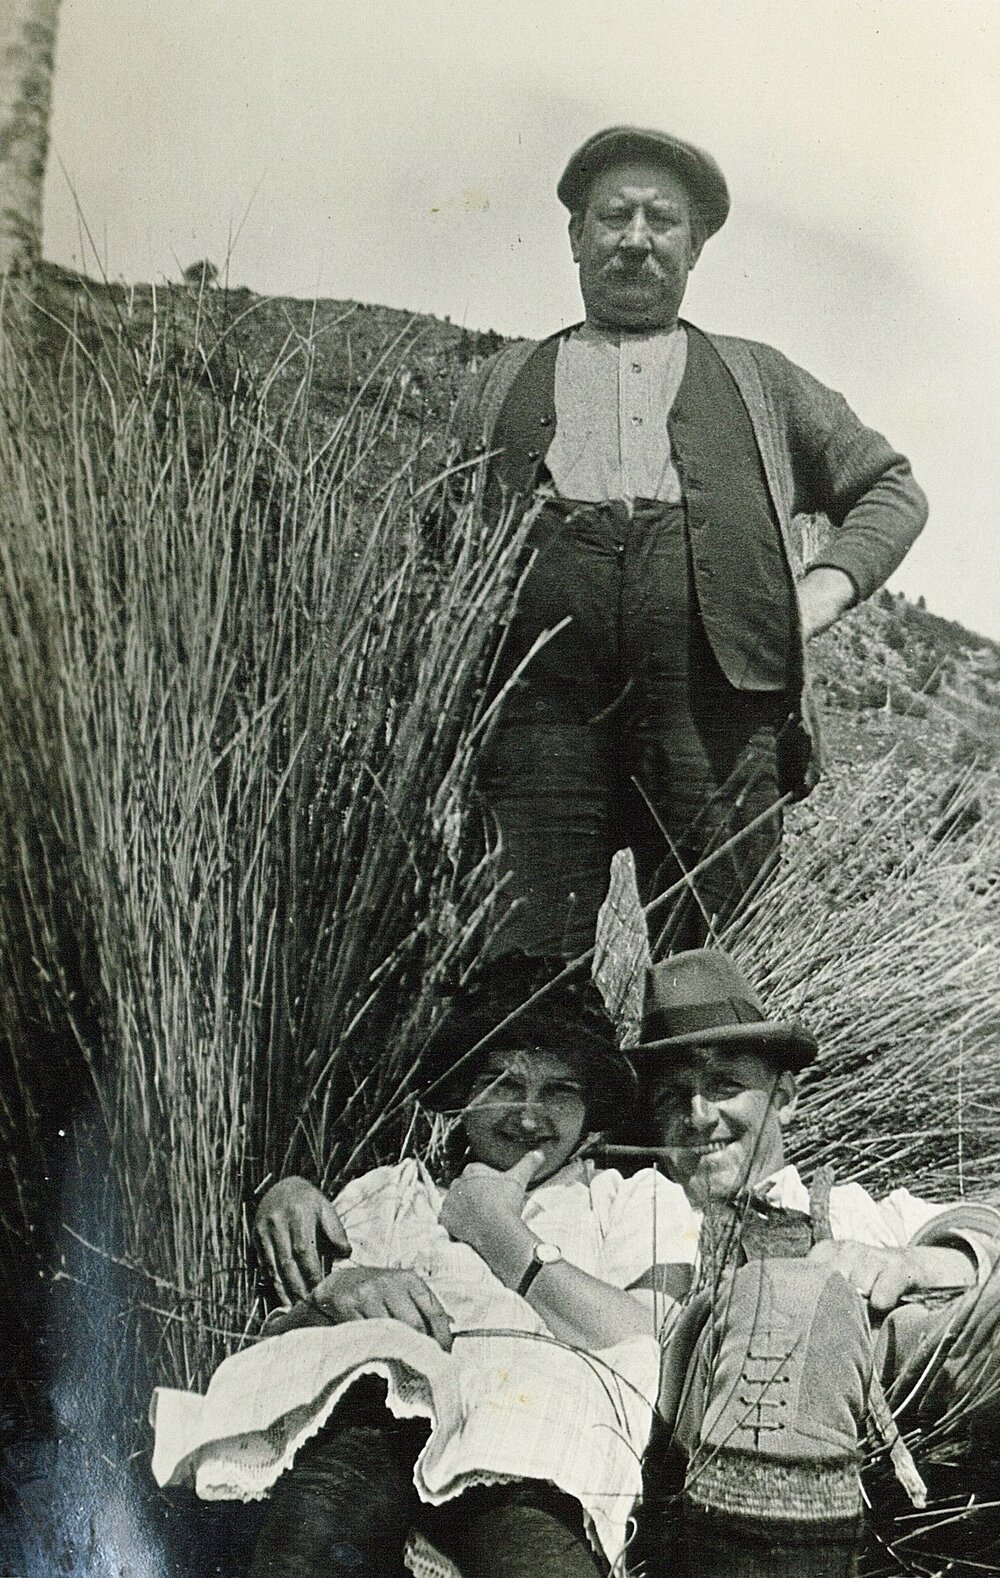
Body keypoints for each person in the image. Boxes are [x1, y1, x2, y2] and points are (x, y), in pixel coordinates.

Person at [450, 125, 927, 957]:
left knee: (708, 975)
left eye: (661, 220)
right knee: (522, 968)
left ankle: (692, 1091)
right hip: (538, 722)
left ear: (696, 245)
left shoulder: (761, 378)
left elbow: (891, 489)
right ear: (574, 237)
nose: (635, 240)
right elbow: (445, 542)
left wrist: (811, 598)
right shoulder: (499, 382)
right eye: (613, 217)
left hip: (717, 718)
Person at [150, 963, 699, 1578]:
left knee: (537, 1559)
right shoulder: (395, 1194)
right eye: (502, 1083)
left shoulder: (631, 1201)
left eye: (560, 1091)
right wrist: (342, 1289)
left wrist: (500, 1234)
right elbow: (286, 1333)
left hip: (532, 1456)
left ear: (592, 1103)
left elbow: (648, 1340)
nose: (527, 1116)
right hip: (374, 1433)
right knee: (313, 1529)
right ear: (464, 1091)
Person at [623, 949, 1000, 1578]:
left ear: (785, 1099)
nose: (698, 1115)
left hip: (900, 1429)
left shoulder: (857, 1209)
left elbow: (987, 1226)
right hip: (710, 1448)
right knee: (784, 1295)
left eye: (723, 1086)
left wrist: (913, 1263)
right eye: (673, 1097)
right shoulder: (648, 1214)